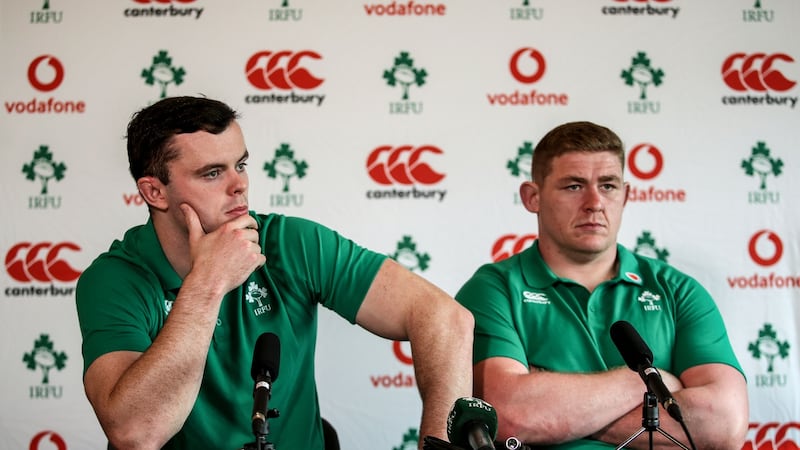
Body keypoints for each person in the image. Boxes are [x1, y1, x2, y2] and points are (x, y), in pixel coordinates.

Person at [75, 95, 474, 450]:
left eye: (241, 164)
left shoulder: (287, 242)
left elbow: (445, 318)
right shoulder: (114, 279)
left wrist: (440, 443)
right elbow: (136, 433)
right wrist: (208, 282)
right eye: (212, 173)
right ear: (154, 192)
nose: (240, 186)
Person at [455, 121, 749, 449]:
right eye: (573, 186)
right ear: (532, 197)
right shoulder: (492, 291)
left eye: (608, 186)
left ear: (626, 195)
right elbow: (510, 416)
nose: (594, 202)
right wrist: (649, 383)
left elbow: (724, 424)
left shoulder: (677, 291)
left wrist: (555, 409)